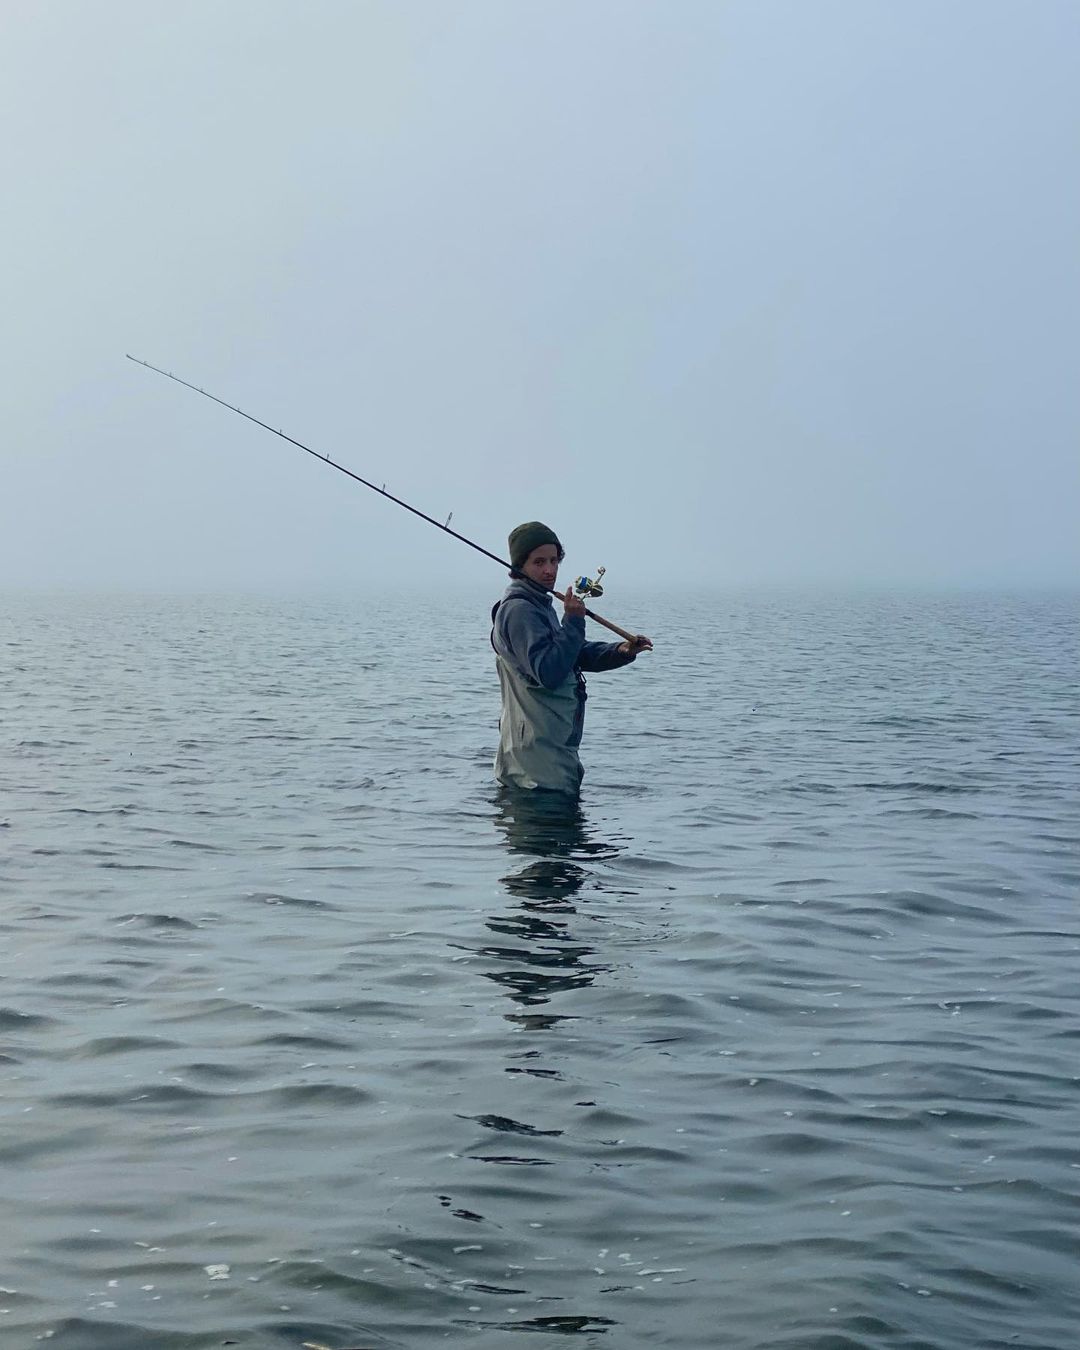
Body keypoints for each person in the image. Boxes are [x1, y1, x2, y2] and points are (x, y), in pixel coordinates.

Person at [491, 521, 652, 794]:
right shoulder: (520, 611)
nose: (549, 570)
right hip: (536, 767)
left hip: (551, 753)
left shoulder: (538, 604)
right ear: (519, 566)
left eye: (554, 560)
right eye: (539, 562)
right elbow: (550, 671)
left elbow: (570, 654)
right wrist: (574, 620)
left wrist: (621, 651)